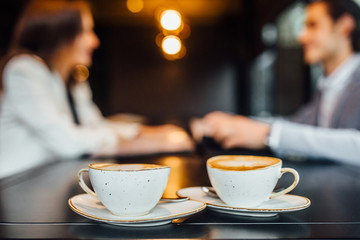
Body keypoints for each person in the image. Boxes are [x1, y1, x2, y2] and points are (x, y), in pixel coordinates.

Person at [0, 0, 193, 178]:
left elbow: (95, 126)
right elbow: (68, 142)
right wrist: (149, 143)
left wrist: (148, 132)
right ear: (61, 33)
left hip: (49, 180)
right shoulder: (23, 69)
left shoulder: (73, 80)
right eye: (87, 31)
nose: (95, 41)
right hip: (14, 187)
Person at [190, 0, 360, 165]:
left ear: (345, 25)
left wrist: (269, 135)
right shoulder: (327, 85)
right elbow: (297, 125)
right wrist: (231, 124)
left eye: (313, 25)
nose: (301, 37)